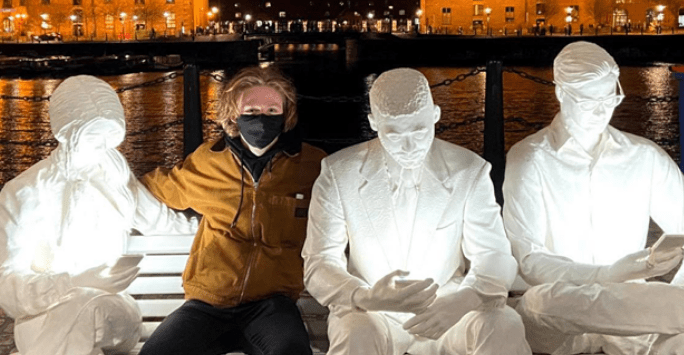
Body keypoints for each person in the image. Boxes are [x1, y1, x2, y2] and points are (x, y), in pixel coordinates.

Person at [303, 68, 531, 355]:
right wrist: (365, 297)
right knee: (354, 332)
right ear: (374, 123)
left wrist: (464, 300)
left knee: (504, 324)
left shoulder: (468, 170)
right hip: (374, 312)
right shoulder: (339, 173)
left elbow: (494, 254)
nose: (409, 146)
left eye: (419, 130)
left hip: (447, 307)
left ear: (436, 114)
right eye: (393, 133)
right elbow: (319, 262)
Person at [503, 41, 684, 354]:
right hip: (556, 309)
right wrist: (606, 274)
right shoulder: (530, 159)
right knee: (541, 301)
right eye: (589, 101)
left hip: (626, 307)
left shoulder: (645, 157)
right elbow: (530, 259)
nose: (602, 111)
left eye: (610, 98)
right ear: (561, 93)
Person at [0, 75, 197, 355]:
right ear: (65, 131)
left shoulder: (117, 179)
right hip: (40, 317)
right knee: (74, 318)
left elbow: (166, 224)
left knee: (84, 308)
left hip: (112, 311)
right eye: (95, 135)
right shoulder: (22, 193)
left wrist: (223, 228)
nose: (104, 145)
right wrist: (73, 283)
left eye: (111, 136)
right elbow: (7, 287)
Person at [138, 66, 327, 355]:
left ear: (286, 114)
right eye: (250, 109)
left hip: (272, 305)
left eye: (272, 110)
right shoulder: (208, 161)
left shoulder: (312, 166)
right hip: (207, 304)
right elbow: (158, 187)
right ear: (233, 114)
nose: (261, 118)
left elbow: (349, 201)